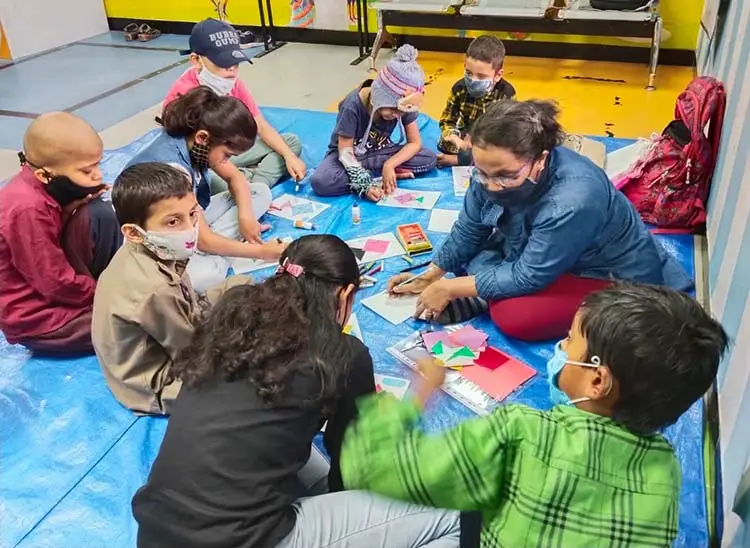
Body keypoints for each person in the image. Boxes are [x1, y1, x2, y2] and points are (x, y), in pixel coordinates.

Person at [132, 234, 460, 548]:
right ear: (344, 295)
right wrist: (417, 398)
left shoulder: (230, 320)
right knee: (456, 520)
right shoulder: (342, 354)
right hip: (243, 539)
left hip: (158, 529)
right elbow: (354, 465)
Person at [342, 283, 729, 548]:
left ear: (598, 381)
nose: (560, 346)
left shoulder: (522, 432)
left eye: (570, 339)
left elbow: (380, 467)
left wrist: (417, 396)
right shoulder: (667, 472)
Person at [389, 100, 693, 342]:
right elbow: (471, 226)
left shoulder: (574, 198)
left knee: (515, 317)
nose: (490, 185)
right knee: (468, 255)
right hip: (541, 251)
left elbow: (528, 276)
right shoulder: (492, 170)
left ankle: (485, 294)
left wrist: (452, 288)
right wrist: (431, 274)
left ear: (542, 159)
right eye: (481, 172)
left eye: (505, 176)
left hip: (604, 272)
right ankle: (484, 290)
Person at [93, 163, 251, 415]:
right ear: (134, 232)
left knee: (243, 285)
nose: (190, 229)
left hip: (178, 327)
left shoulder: (148, 251)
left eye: (192, 214)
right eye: (173, 221)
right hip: (158, 383)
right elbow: (191, 353)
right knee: (253, 372)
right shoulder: (155, 288)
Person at [127, 87, 285, 293]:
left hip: (191, 221)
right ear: (203, 137)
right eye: (227, 155)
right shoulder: (173, 169)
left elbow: (235, 177)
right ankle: (222, 251)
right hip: (167, 239)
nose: (227, 161)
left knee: (259, 192)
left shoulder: (195, 143)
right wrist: (262, 252)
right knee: (208, 275)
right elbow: (203, 241)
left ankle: (223, 247)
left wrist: (246, 217)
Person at [0, 112, 121, 355]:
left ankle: (111, 288)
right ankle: (107, 299)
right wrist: (105, 294)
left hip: (58, 285)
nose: (97, 175)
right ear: (44, 174)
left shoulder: (44, 190)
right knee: (133, 324)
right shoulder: (26, 209)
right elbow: (53, 282)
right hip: (41, 317)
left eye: (98, 164)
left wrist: (69, 210)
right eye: (86, 171)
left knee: (100, 213)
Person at [165, 18, 305, 191]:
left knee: (290, 143)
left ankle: (255, 183)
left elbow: (260, 124)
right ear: (196, 60)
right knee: (213, 184)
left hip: (230, 150)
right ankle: (251, 184)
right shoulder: (183, 97)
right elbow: (190, 156)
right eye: (222, 64)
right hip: (206, 161)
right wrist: (236, 180)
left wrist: (289, 156)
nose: (231, 71)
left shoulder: (232, 82)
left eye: (235, 64)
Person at [311, 44, 437, 201]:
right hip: (348, 154)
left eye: (402, 112)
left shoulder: (402, 107)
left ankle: (382, 172)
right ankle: (372, 177)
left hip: (380, 153)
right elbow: (345, 153)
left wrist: (390, 165)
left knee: (429, 159)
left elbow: (415, 143)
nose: (398, 115)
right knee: (322, 182)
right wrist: (365, 185)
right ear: (380, 97)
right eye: (393, 110)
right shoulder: (352, 106)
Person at [437, 35, 516, 168]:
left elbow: (507, 131)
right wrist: (456, 139)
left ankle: (458, 161)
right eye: (468, 72)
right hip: (464, 135)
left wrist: (479, 142)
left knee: (508, 153)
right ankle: (471, 160)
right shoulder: (459, 89)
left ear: (498, 75)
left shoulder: (506, 94)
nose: (473, 80)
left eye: (481, 76)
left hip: (489, 139)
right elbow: (447, 121)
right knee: (444, 144)